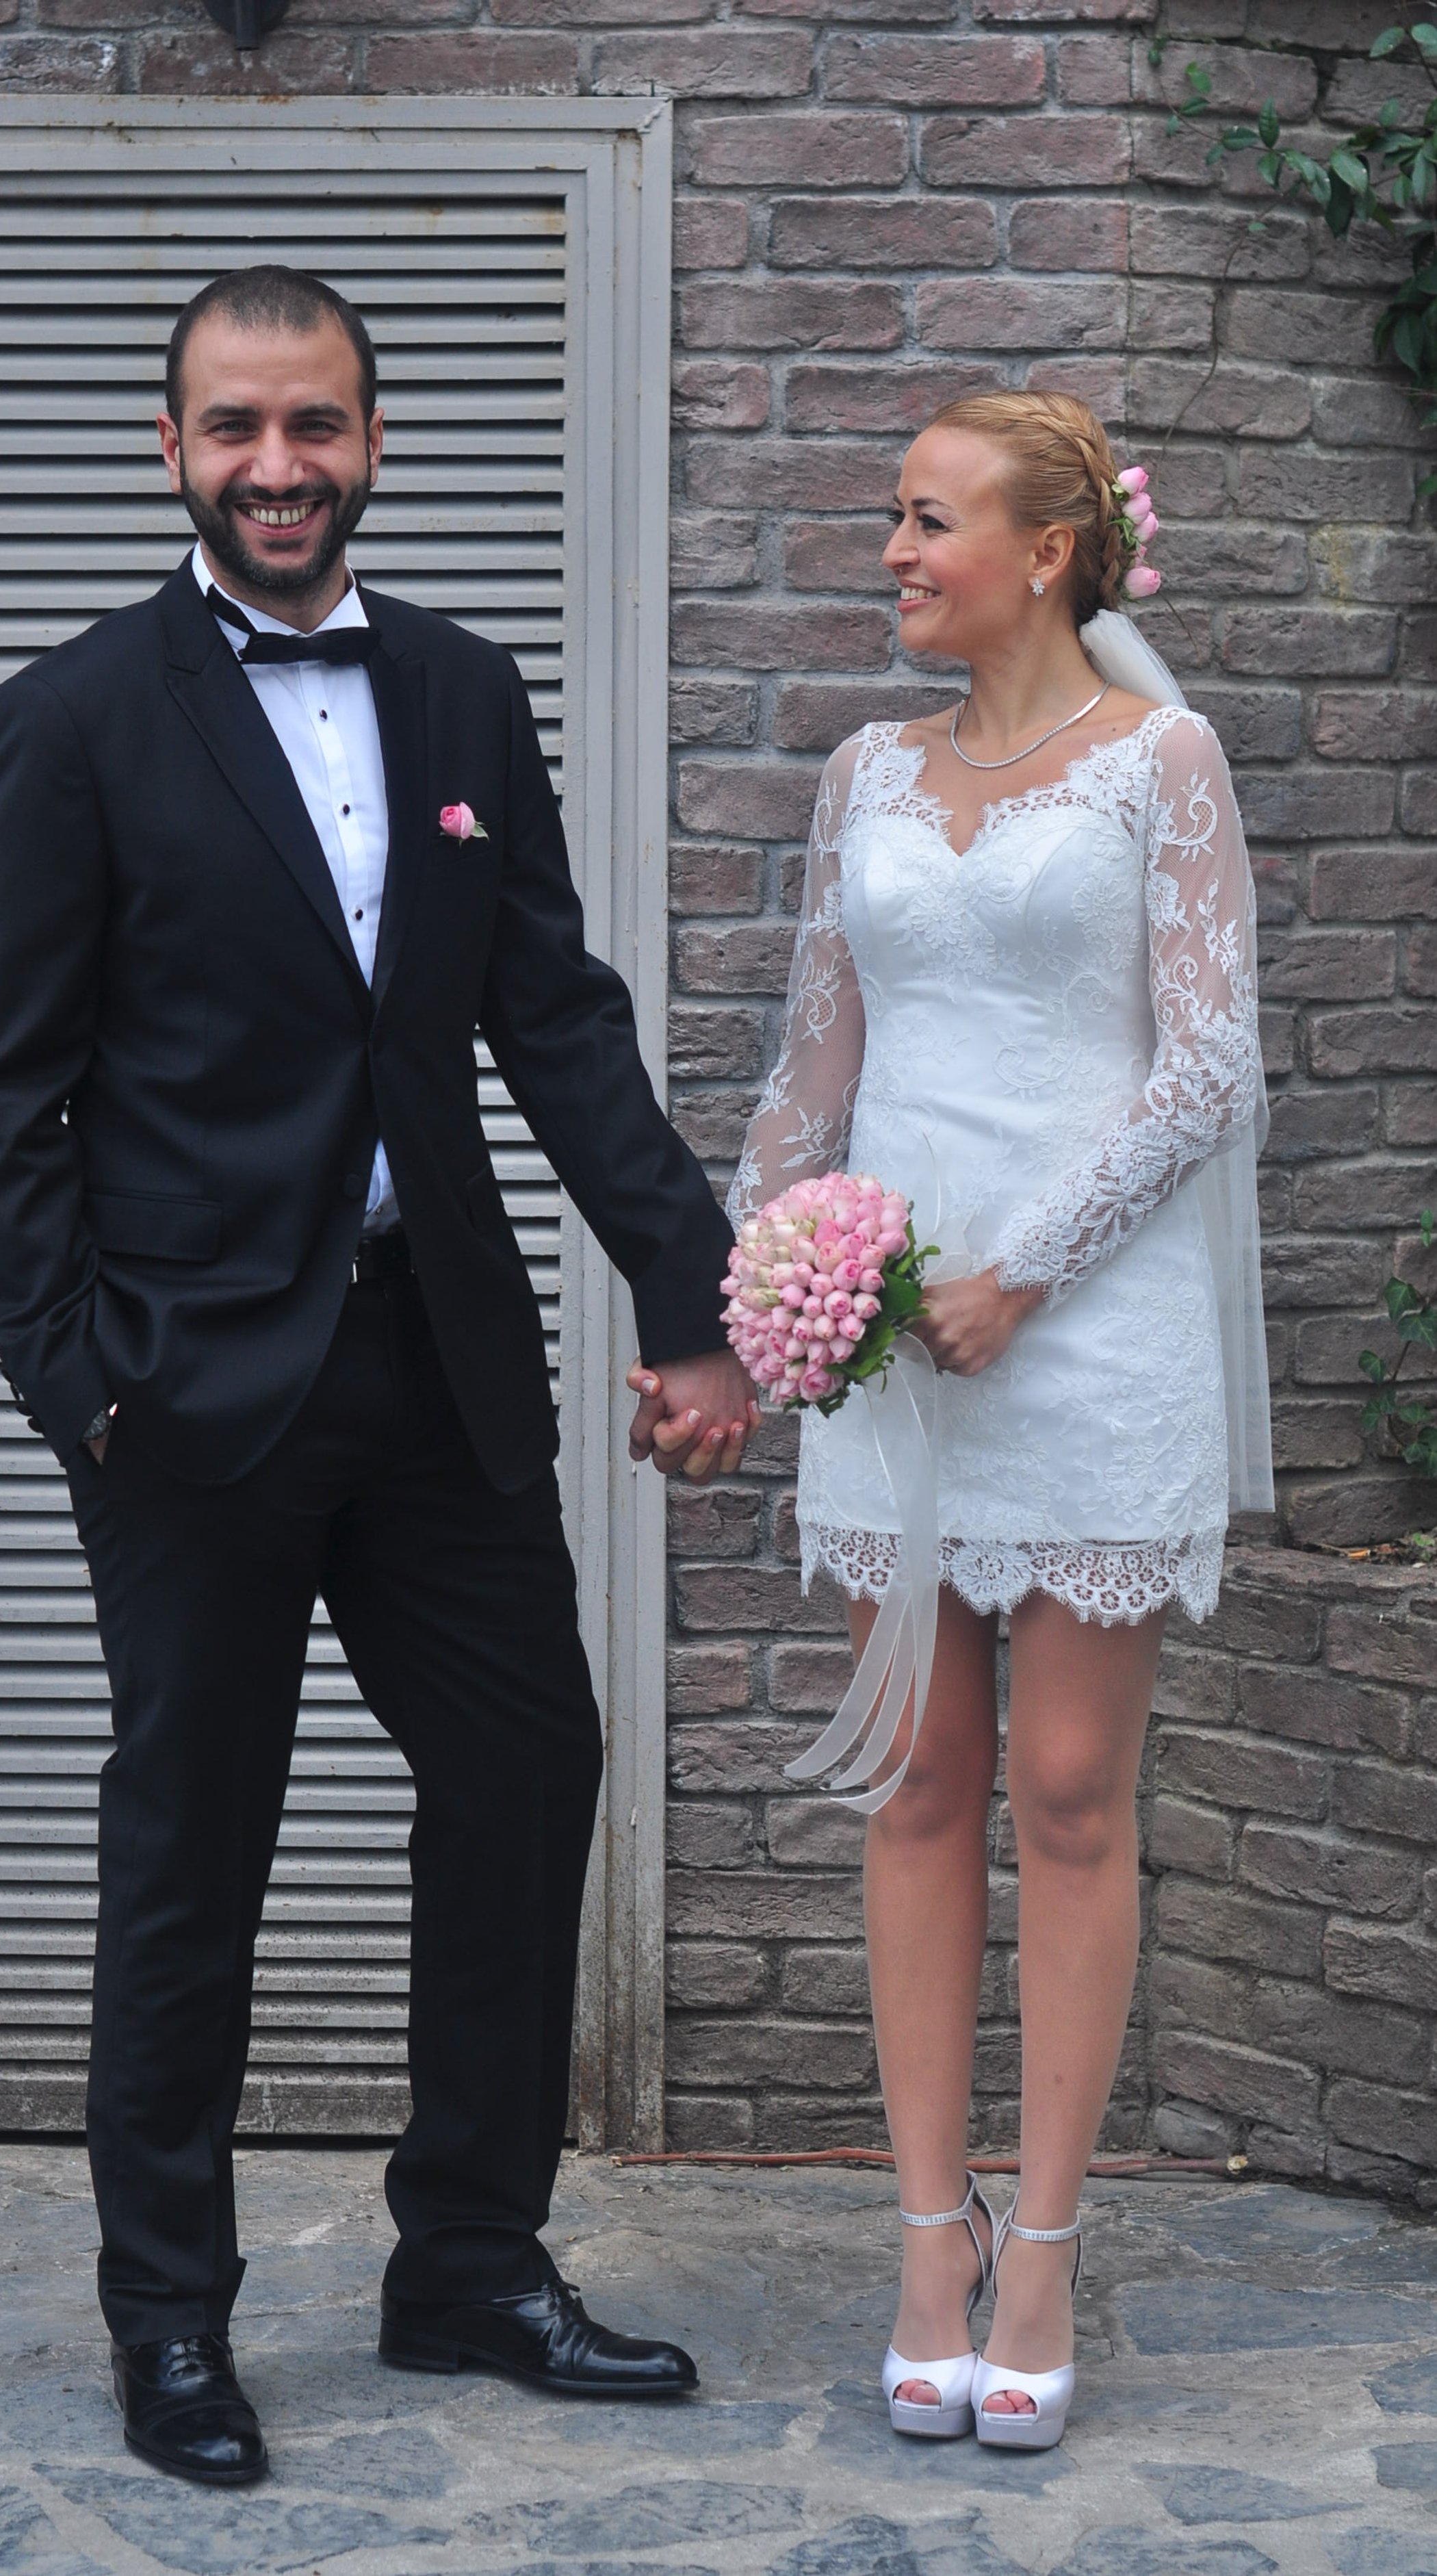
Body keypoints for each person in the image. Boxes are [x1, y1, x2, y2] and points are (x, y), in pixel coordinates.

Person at [0, 264, 756, 2487]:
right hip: (188, 1387)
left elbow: (553, 1014)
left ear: (374, 440)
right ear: (171, 450)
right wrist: (75, 1380)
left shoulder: (463, 691)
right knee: (192, 1846)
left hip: (437, 1359)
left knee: (525, 1770)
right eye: (234, 427)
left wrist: (685, 1294)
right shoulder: (73, 714)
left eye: (313, 425)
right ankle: (169, 2320)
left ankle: (468, 2257)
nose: (275, 466)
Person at [726, 391, 1270, 2451]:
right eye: (895, 515)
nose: (892, 549)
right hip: (887, 1338)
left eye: (927, 518)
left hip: (1089, 1332)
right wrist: (759, 1287)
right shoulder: (863, 771)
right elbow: (813, 1061)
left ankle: (1042, 2243)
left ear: (1047, 552)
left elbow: (1206, 1066)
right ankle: (925, 2242)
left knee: (1065, 1789)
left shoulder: (1160, 763)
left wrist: (1023, 1269)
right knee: (920, 1781)